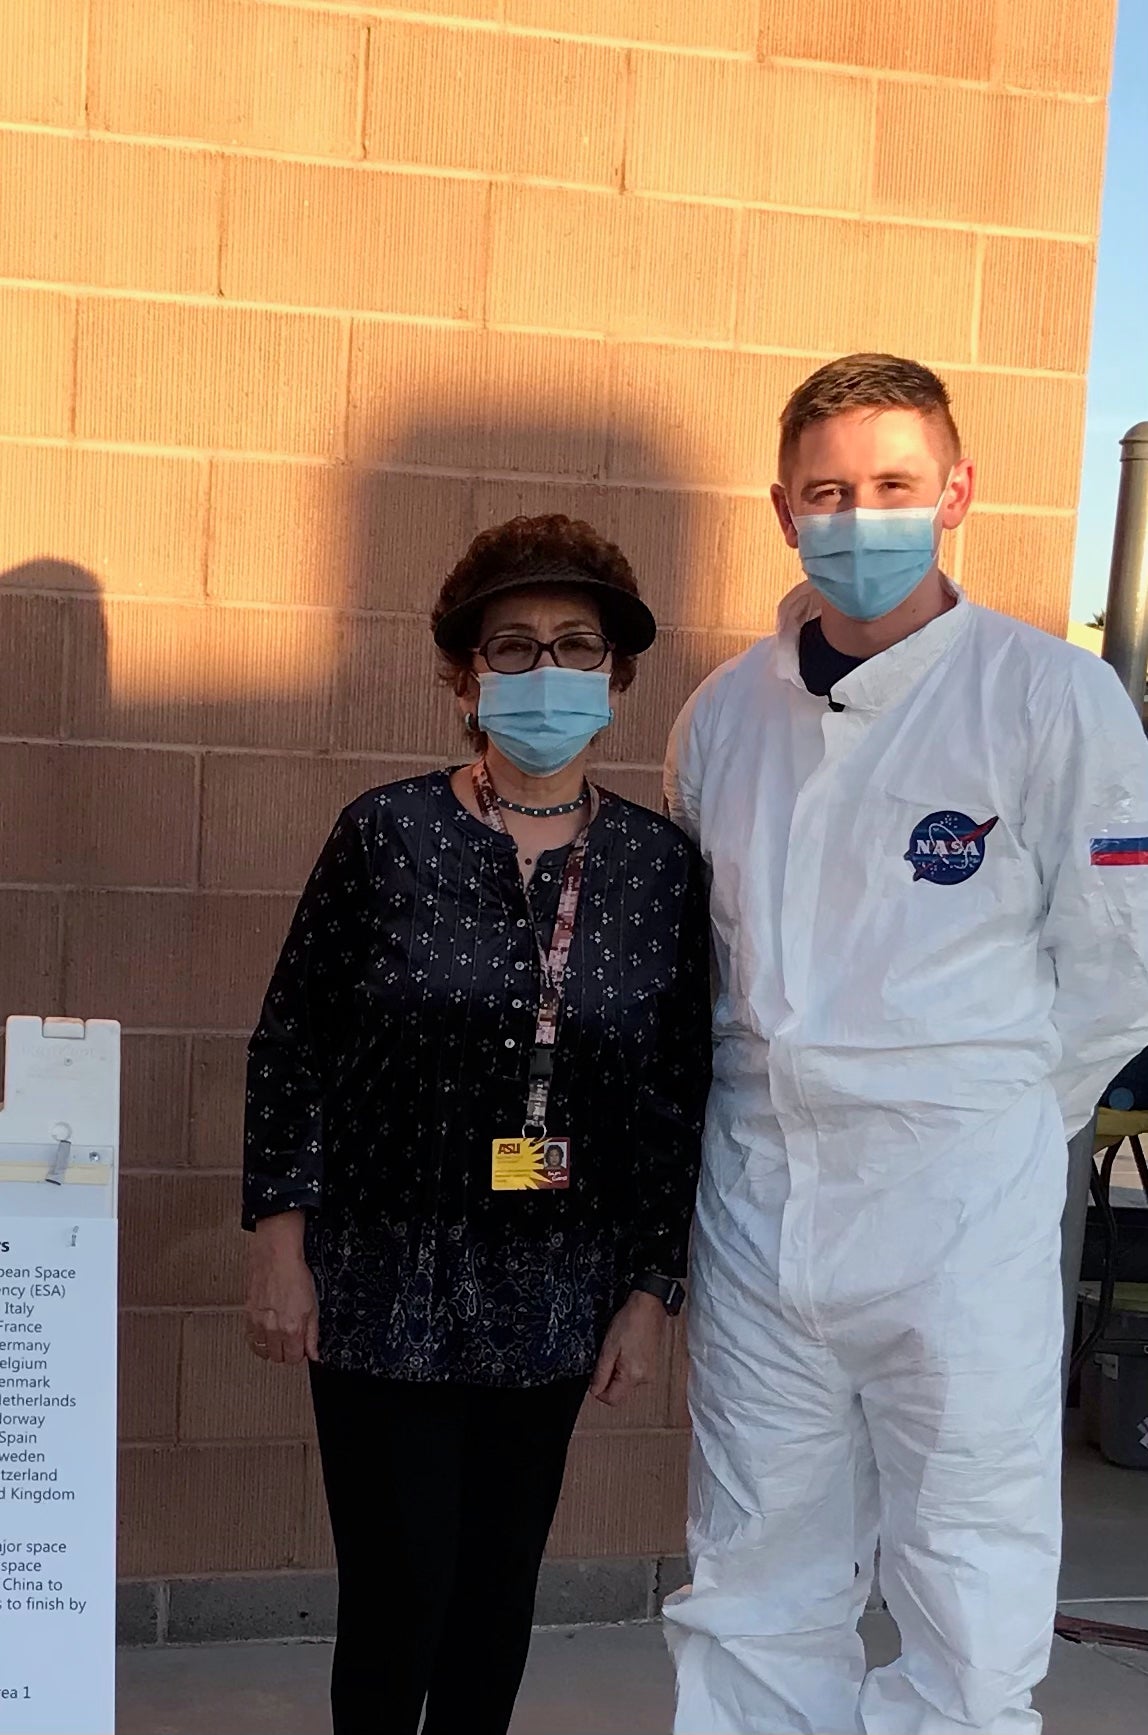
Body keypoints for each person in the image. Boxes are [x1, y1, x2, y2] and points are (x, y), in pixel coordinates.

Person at [662, 353, 1148, 1735]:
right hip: (761, 1205)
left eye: (892, 484)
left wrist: (985, 1120)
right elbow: (704, 969)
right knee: (756, 1569)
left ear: (957, 491)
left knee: (969, 1579)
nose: (859, 515)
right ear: (781, 507)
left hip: (962, 1209)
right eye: (828, 490)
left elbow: (1122, 967)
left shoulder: (1051, 699)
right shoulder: (721, 719)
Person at [242, 513, 711, 1735]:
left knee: (495, 1599)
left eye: (574, 645)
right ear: (462, 674)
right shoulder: (384, 834)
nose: (544, 671)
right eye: (511, 647)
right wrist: (279, 1245)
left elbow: (672, 1092)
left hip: (551, 1290)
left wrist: (651, 1292)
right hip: (379, 1280)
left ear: (614, 678)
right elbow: (293, 1041)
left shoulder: (660, 870)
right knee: (398, 1597)